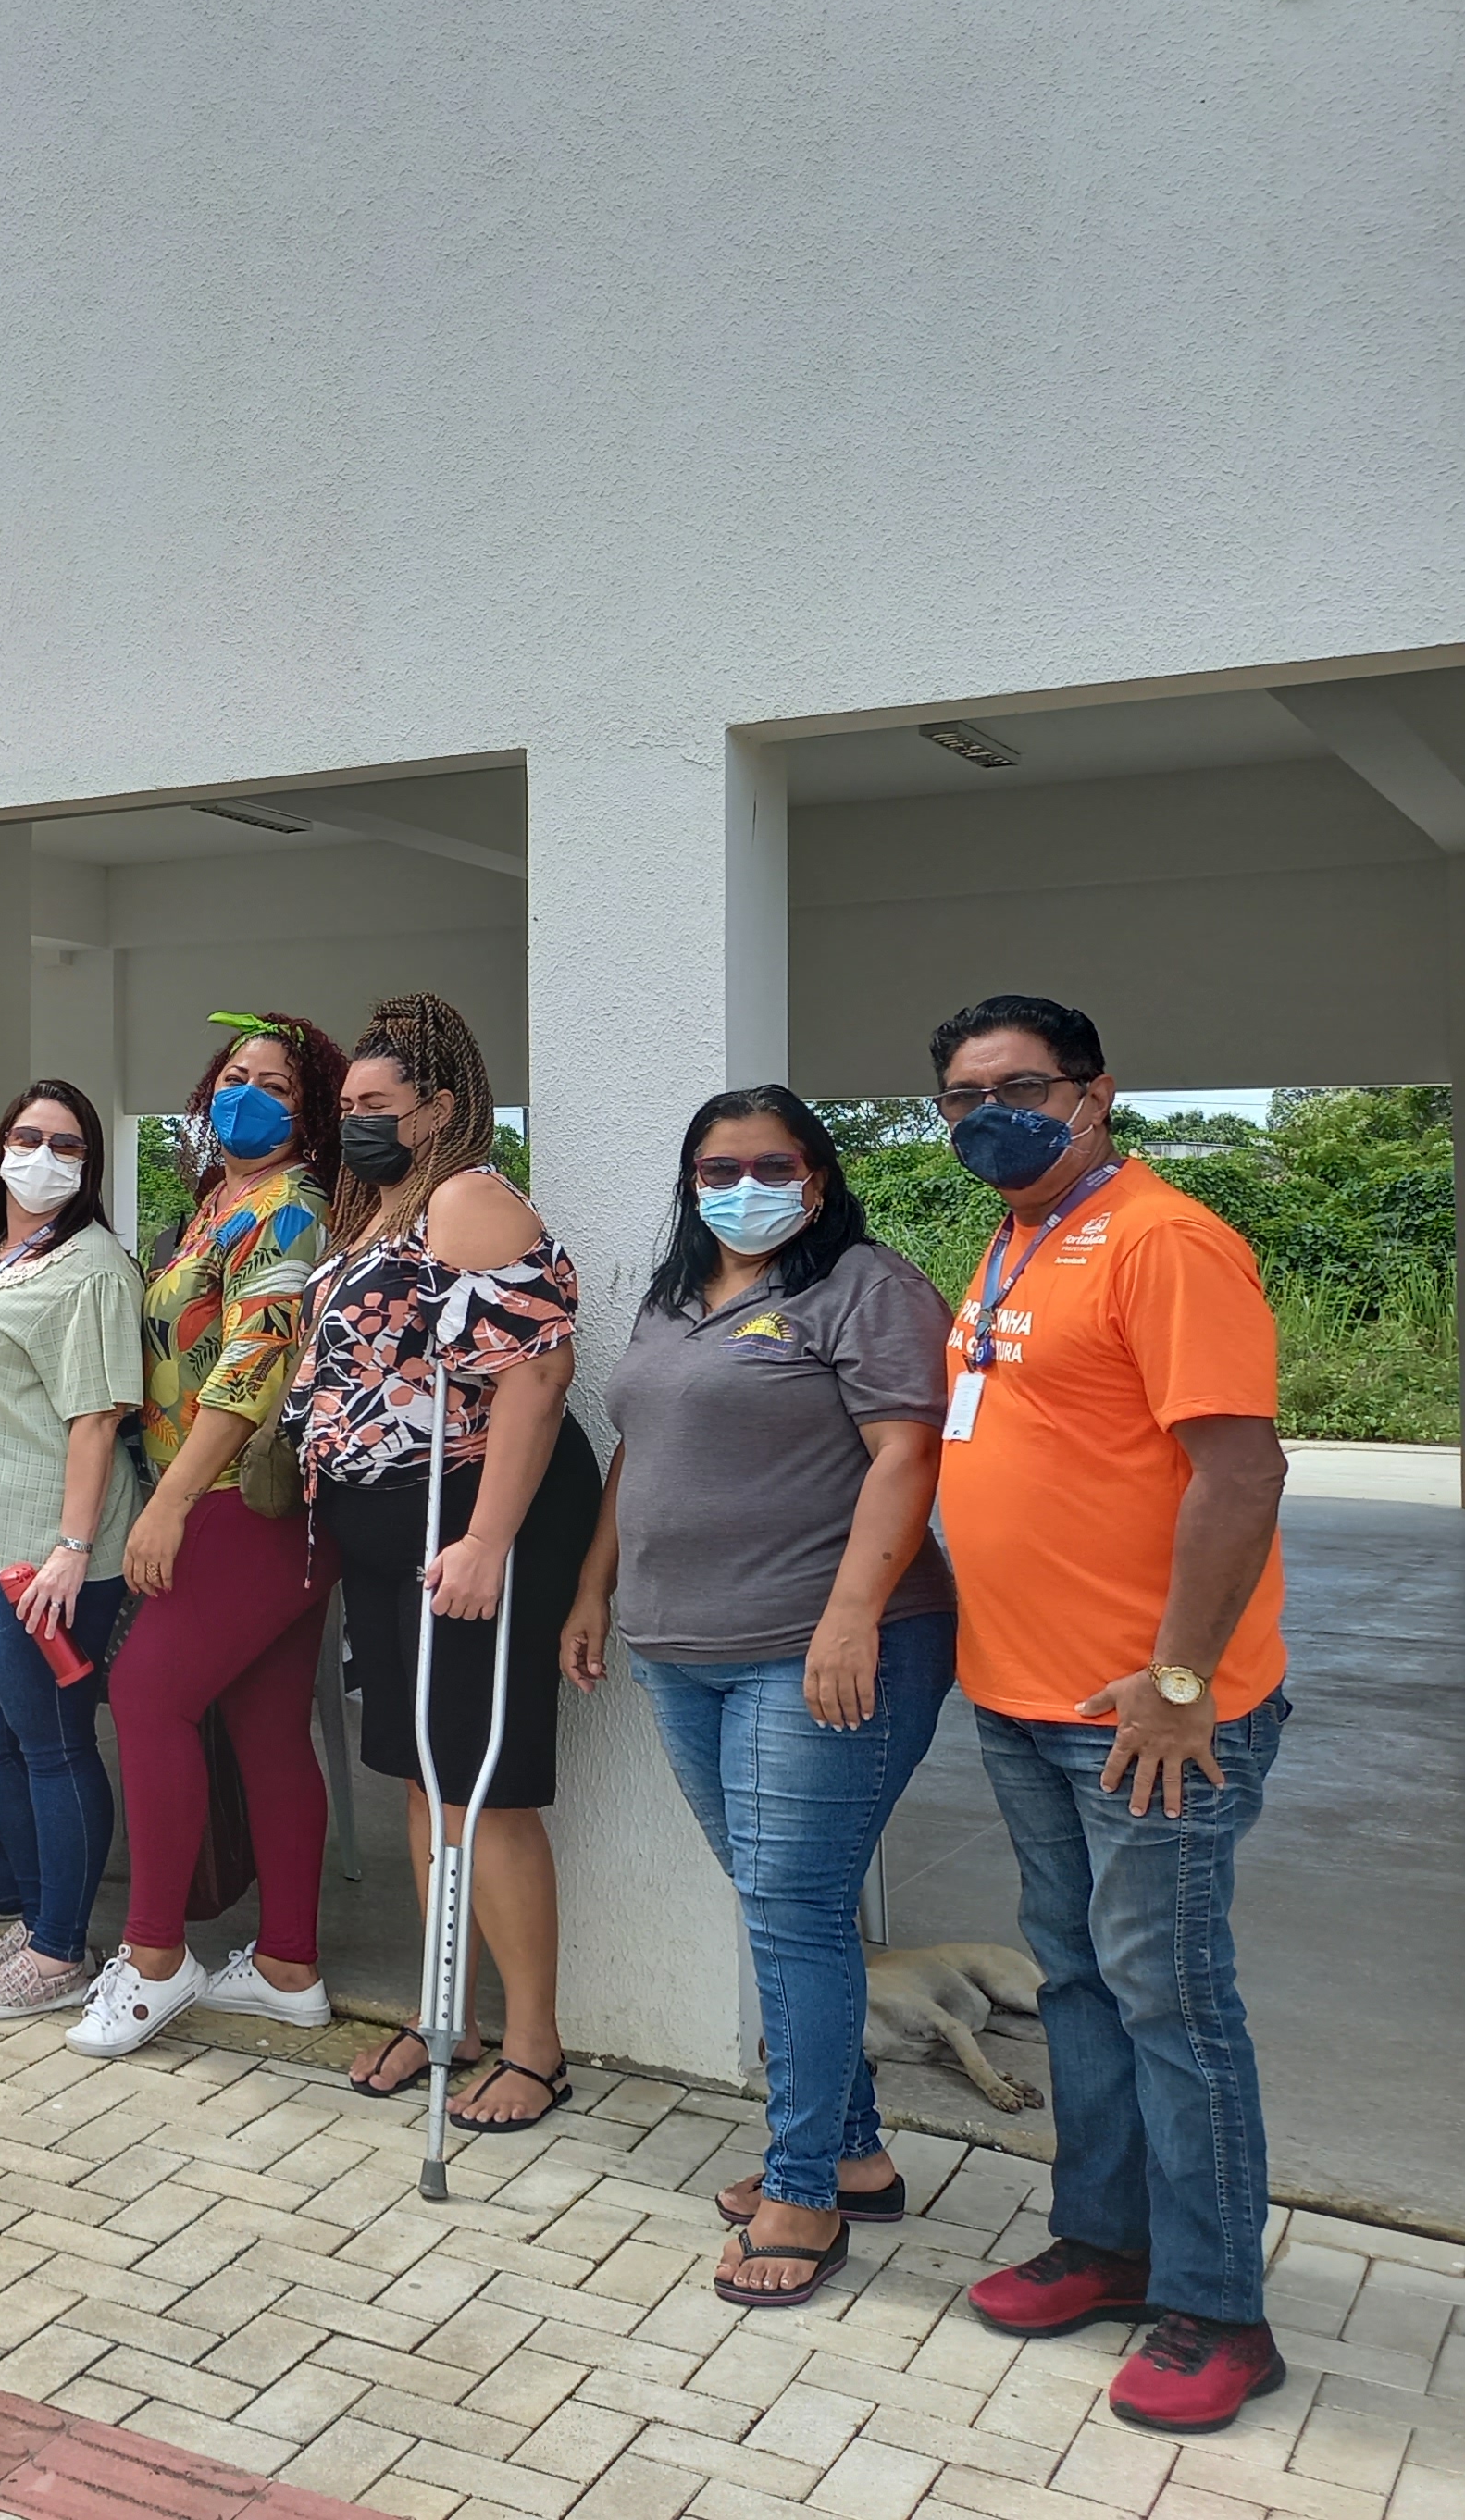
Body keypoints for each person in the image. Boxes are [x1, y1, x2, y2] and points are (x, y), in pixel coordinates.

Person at [922, 996, 1292, 2435]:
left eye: (1021, 1085)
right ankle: (1109, 2241)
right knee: (1075, 1984)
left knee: (1171, 2001)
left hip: (1153, 1715)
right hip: (1024, 1694)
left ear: (1096, 1095)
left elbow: (1240, 1475)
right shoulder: (1013, 1239)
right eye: (961, 1095)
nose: (990, 1113)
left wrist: (1184, 1678)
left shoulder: (1165, 1239)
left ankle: (1218, 2312)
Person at [560, 1089, 956, 2307]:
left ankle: (803, 2192)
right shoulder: (680, 1296)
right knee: (787, 1903)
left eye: (769, 1163)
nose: (741, 1184)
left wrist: (847, 1618)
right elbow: (641, 1448)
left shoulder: (865, 1287)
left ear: (818, 1178)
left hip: (826, 1646)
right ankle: (855, 2152)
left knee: (790, 1907)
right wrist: (593, 1586)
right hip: (685, 1649)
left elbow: (907, 1451)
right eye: (716, 1167)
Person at [292, 990, 599, 2130]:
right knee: (426, 1780)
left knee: (484, 1785)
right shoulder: (377, 1210)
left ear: (440, 1109)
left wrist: (486, 1541)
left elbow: (536, 1375)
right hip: (389, 1534)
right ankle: (442, 2017)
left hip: (467, 1521)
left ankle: (535, 2047)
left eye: (376, 1102)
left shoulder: (470, 1200)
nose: (354, 1119)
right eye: (346, 1103)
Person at [80, 1015, 343, 2057]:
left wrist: (173, 1498)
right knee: (267, 1724)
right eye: (235, 1076)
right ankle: (288, 1965)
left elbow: (256, 1362)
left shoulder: (291, 1211)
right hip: (216, 1492)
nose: (247, 1095)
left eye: (274, 1084)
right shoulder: (210, 1206)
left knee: (144, 1692)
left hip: (242, 1493)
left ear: (308, 1108)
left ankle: (154, 1959)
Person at [0, 1080, 144, 2019]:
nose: (41, 1156)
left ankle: (62, 1948)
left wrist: (70, 1545)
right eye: (26, 1136)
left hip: (40, 1551)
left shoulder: (92, 1266)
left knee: (50, 1744)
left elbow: (96, 1419)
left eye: (65, 1145)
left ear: (88, 1167)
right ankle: (41, 1908)